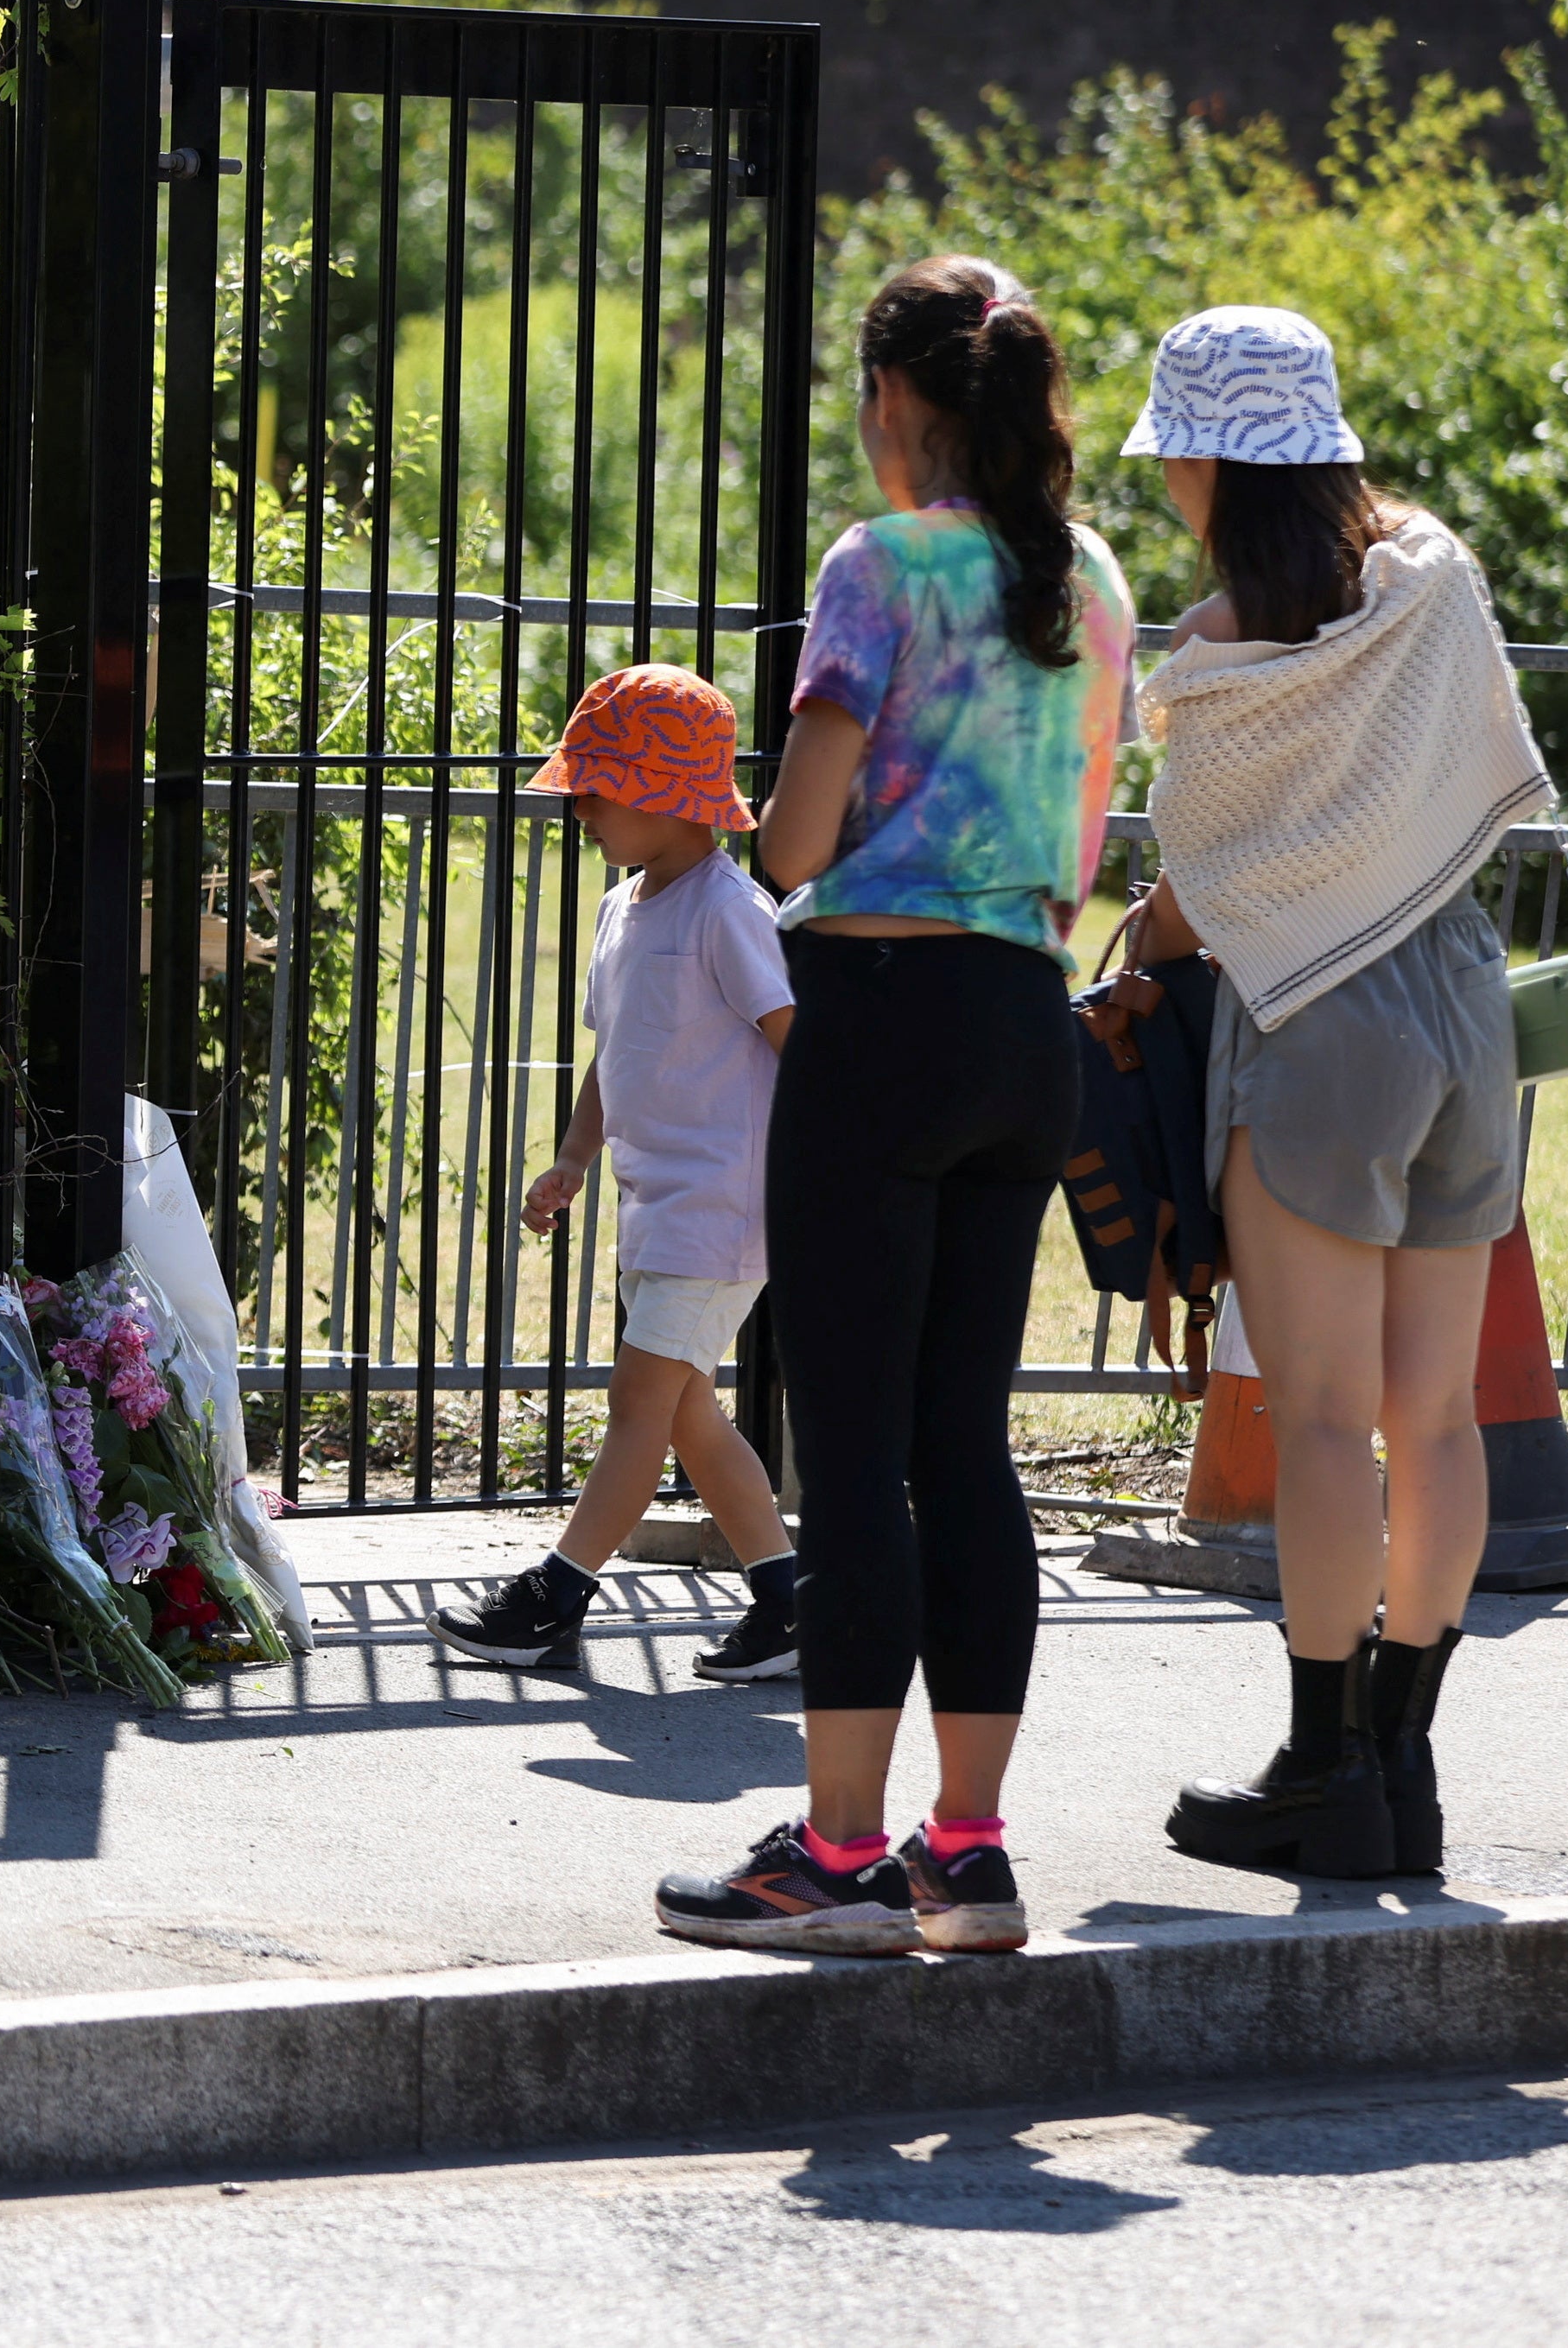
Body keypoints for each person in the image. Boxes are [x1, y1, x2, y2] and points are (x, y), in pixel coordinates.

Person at [655, 256, 1132, 1961]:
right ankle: (965, 1852)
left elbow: (788, 841)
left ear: (890, 402)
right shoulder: (1088, 579)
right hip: (1022, 1018)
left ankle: (836, 1854)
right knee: (961, 1445)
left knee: (846, 1450)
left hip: (874, 1012)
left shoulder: (876, 568)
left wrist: (780, 816)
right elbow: (1075, 827)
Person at [1114, 307, 1545, 1883]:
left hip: (1321, 1026)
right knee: (1438, 1413)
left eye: (1171, 447)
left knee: (1320, 1415)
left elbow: (1219, 878)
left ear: (1214, 457)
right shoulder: (1433, 574)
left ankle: (1318, 1763)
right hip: (1459, 997)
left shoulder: (1219, 655)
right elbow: (1447, 780)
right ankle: (1407, 1758)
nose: (1161, 474)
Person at [434, 664, 803, 1683]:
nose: (581, 805)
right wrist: (571, 1156)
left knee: (642, 1401)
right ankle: (789, 1600)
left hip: (723, 1205)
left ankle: (556, 1595)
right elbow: (616, 1051)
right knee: (685, 1411)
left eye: (596, 787)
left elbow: (795, 1041)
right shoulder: (620, 908)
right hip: (659, 1201)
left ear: (665, 795)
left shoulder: (730, 911)